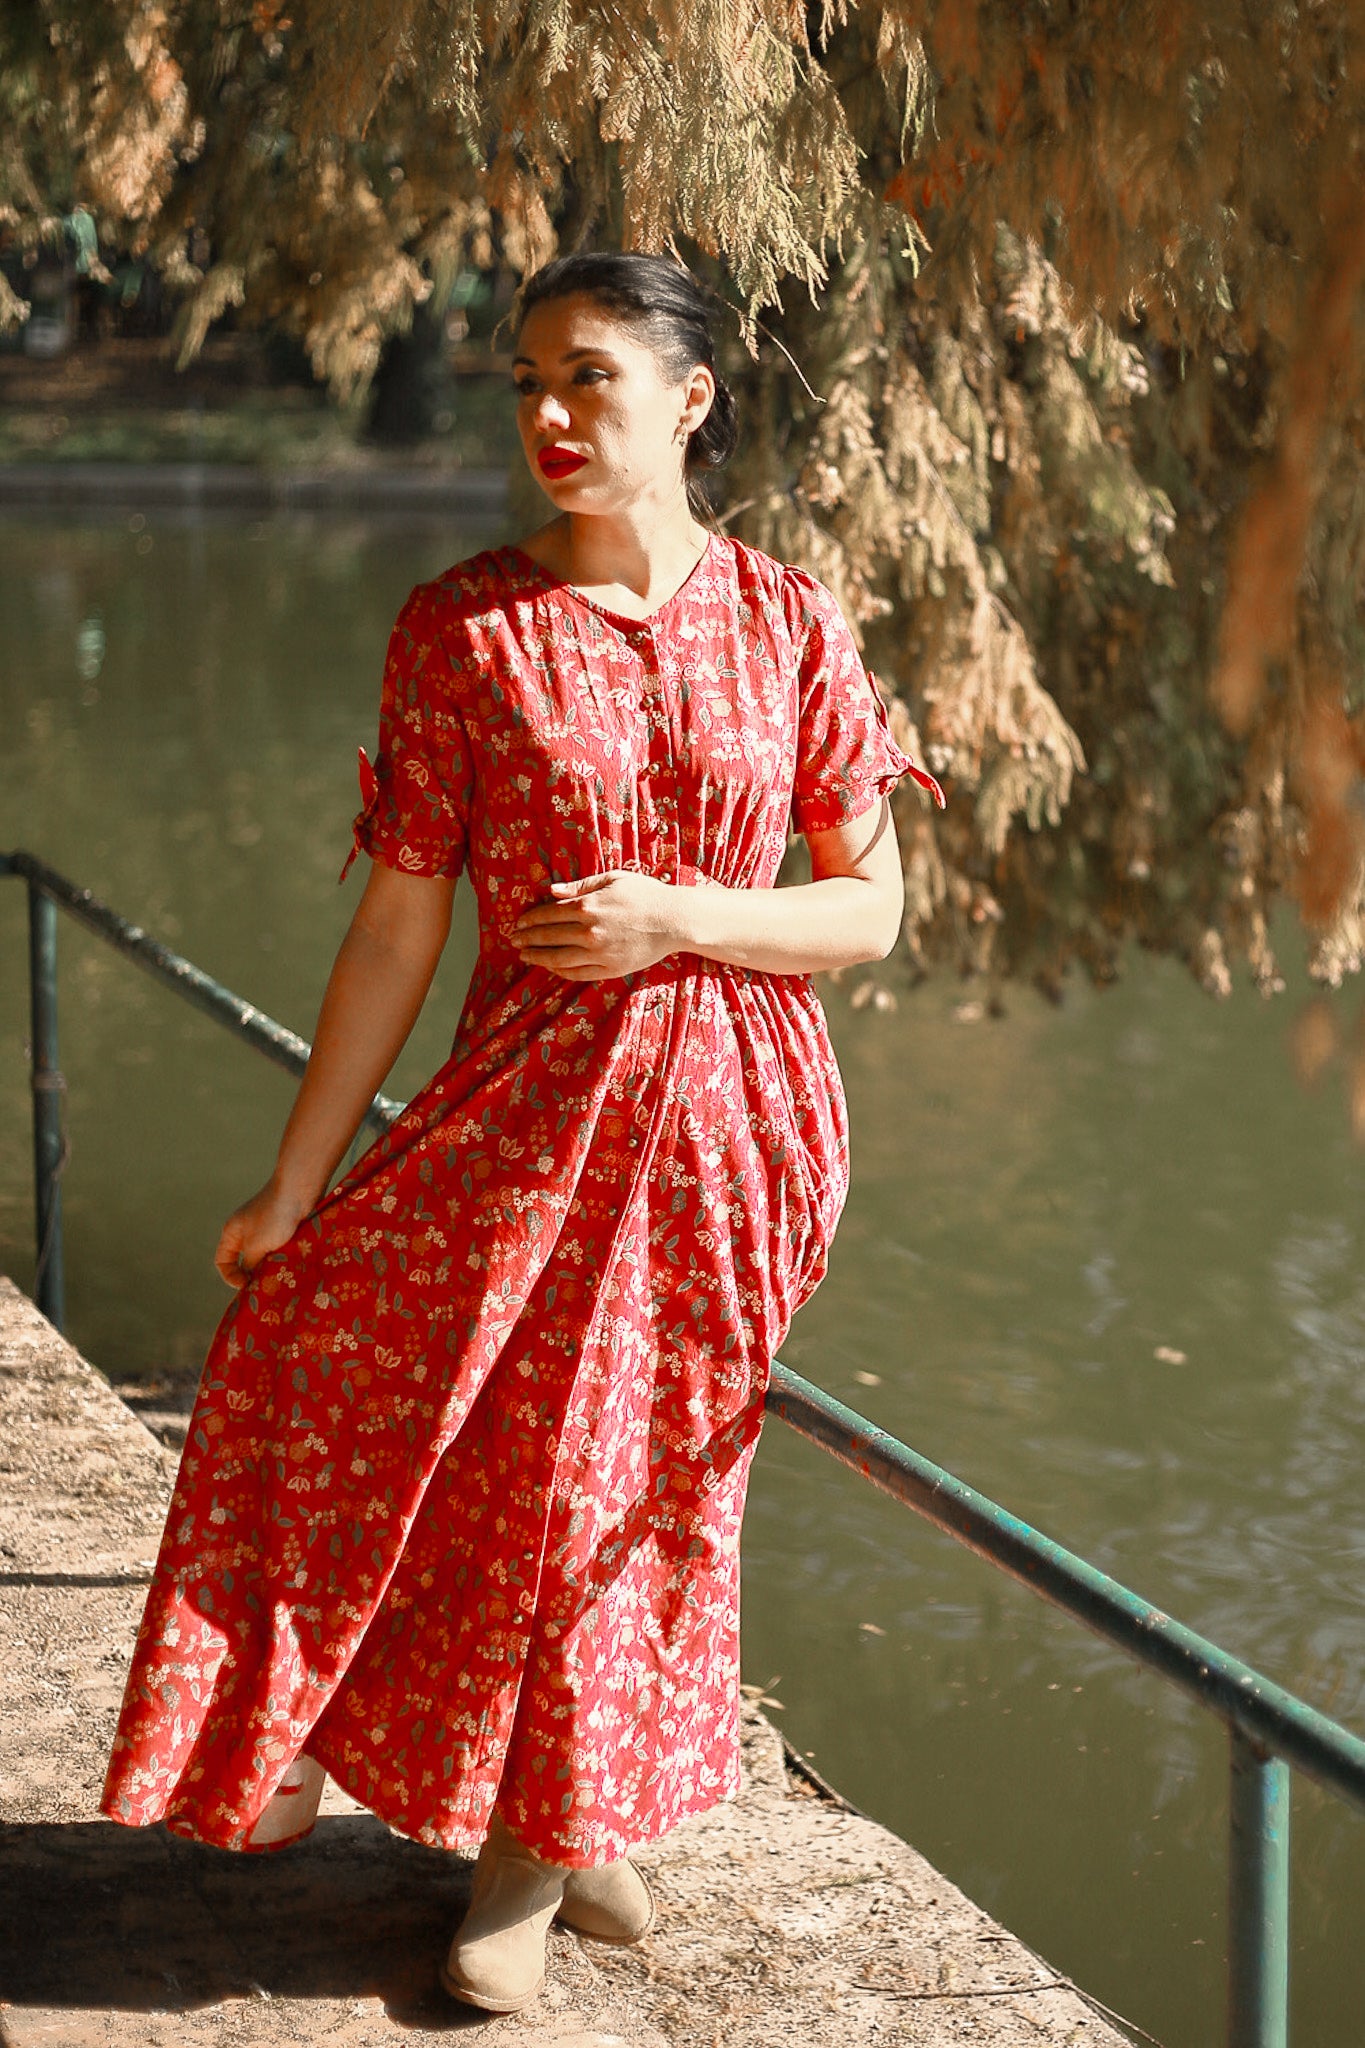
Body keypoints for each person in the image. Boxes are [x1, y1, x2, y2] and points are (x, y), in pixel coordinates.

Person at [100, 249, 945, 2013]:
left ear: (688, 400)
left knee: (608, 1485)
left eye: (589, 377)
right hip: (514, 1115)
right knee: (332, 1362)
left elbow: (867, 911)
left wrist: (679, 915)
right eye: (527, 384)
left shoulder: (788, 622)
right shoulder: (464, 629)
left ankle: (530, 1858)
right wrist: (297, 1180)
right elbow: (398, 923)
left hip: (730, 1132)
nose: (549, 415)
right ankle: (543, 1800)